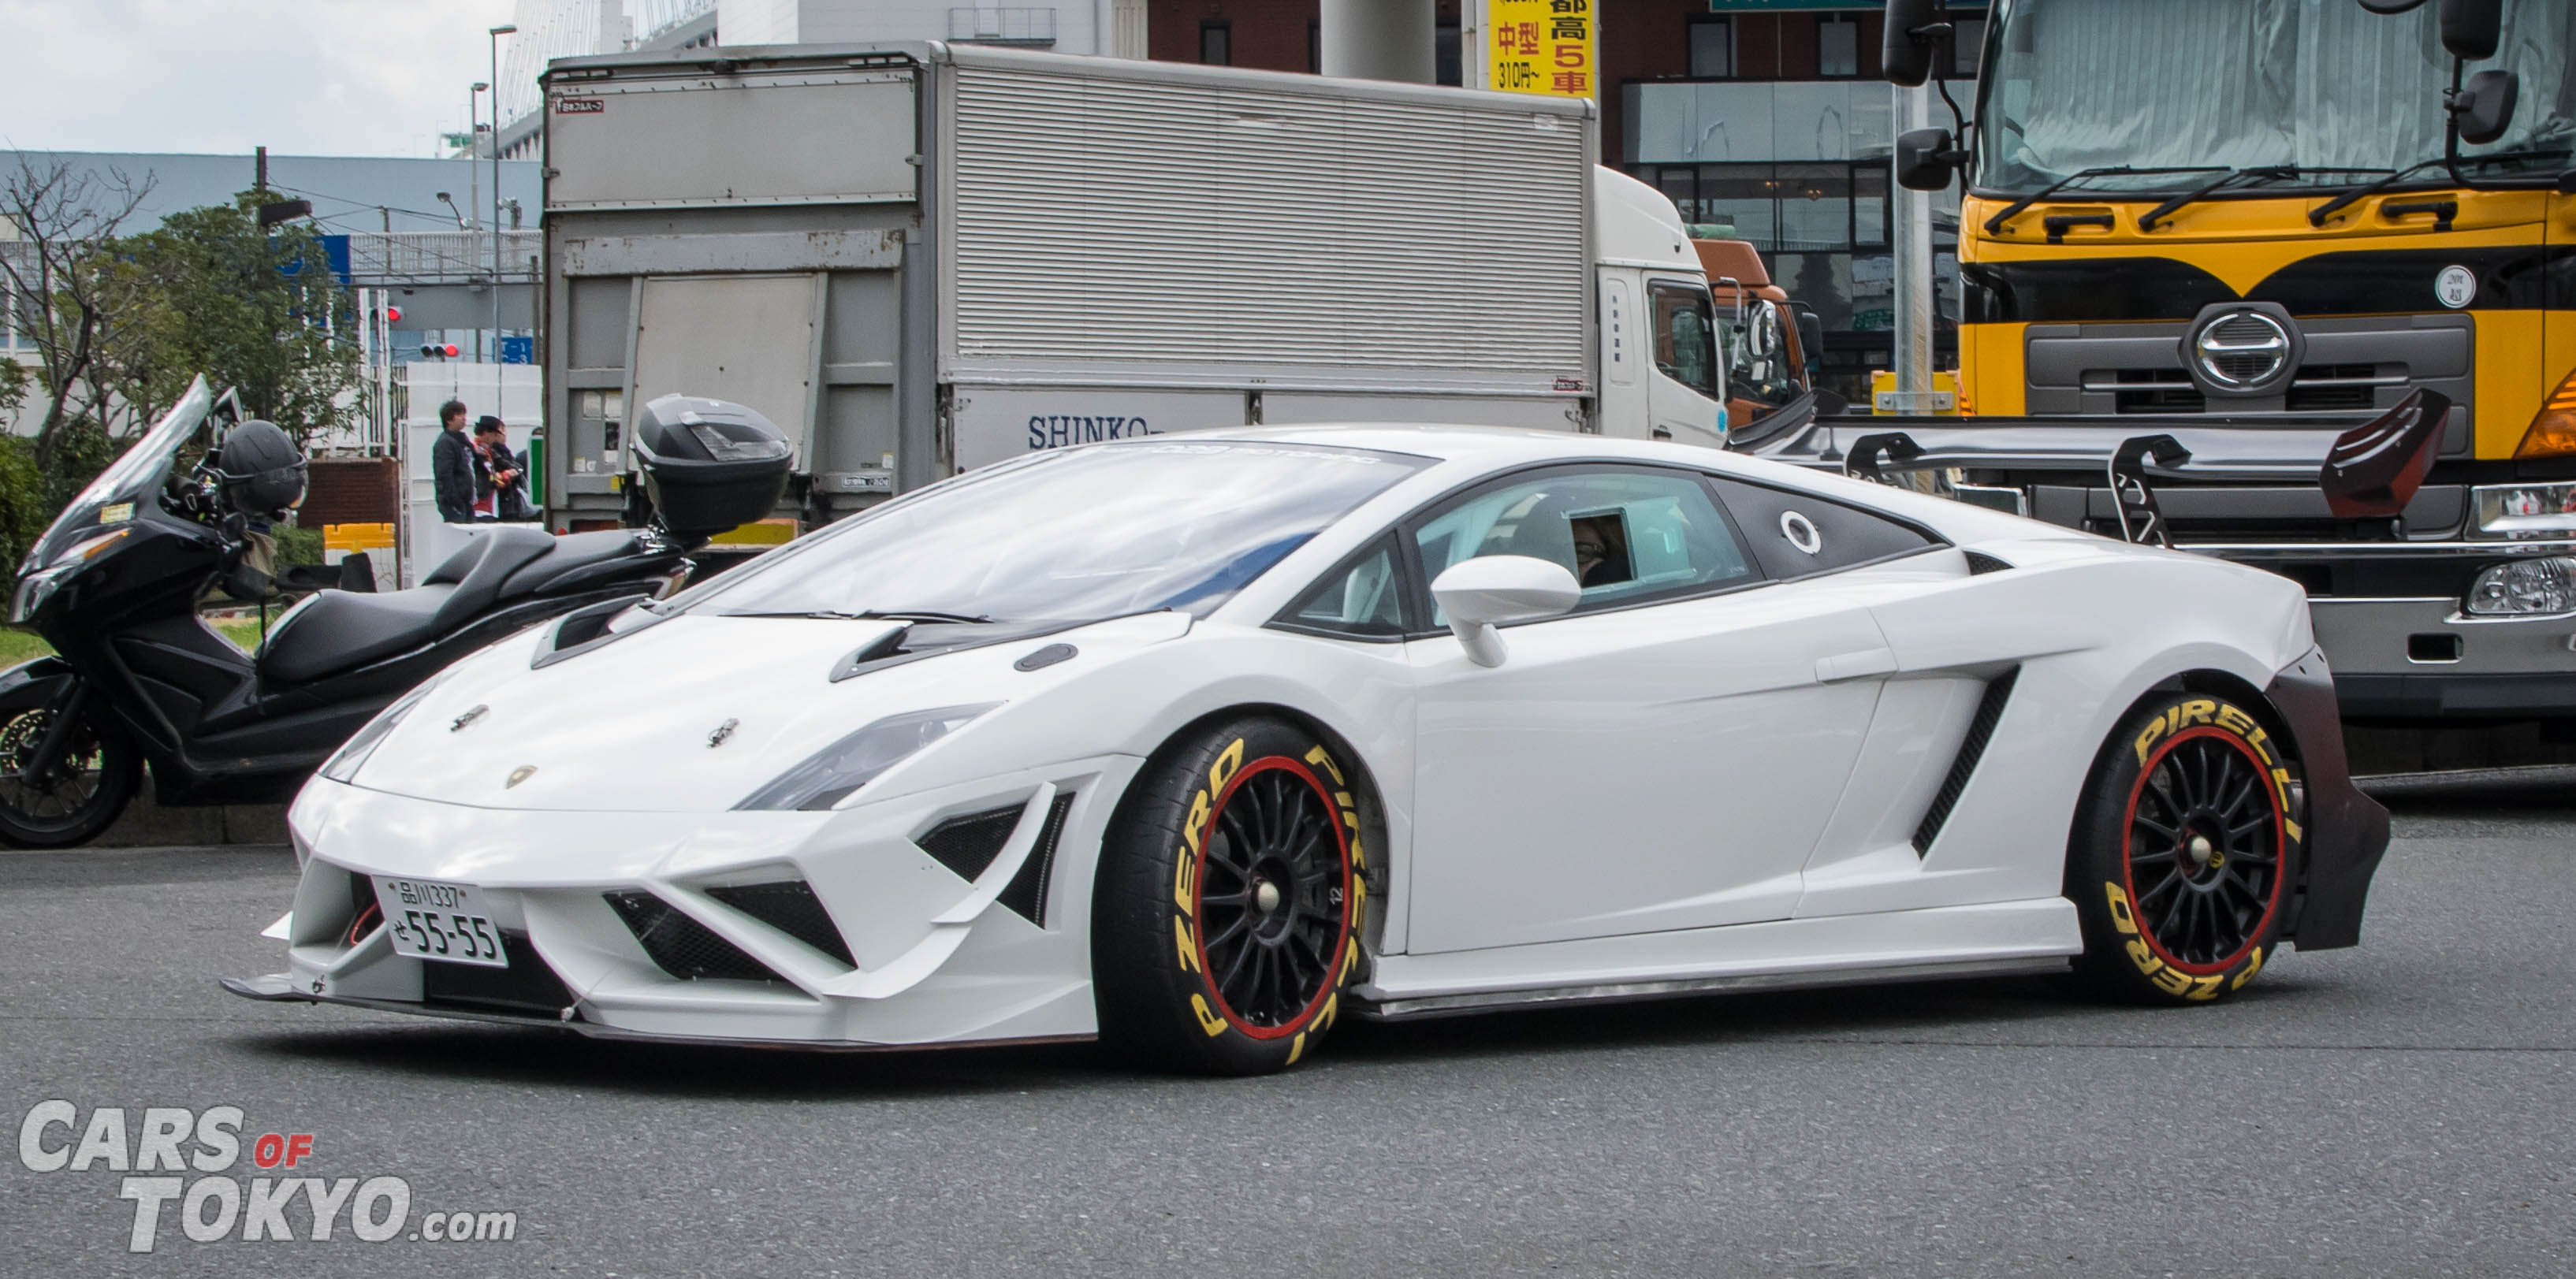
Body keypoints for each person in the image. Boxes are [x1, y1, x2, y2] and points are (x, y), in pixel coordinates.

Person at [475, 417, 534, 521]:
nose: (496, 438)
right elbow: (487, 479)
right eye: (495, 434)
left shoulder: (489, 451)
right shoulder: (478, 451)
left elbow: (517, 467)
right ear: (486, 433)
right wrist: (506, 476)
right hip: (482, 505)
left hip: (491, 505)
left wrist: (511, 473)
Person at [431, 400, 477, 524]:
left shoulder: (461, 440)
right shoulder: (445, 443)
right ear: (449, 420)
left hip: (466, 502)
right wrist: (455, 502)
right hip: (455, 505)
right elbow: (444, 475)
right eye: (460, 415)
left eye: (464, 415)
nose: (464, 418)